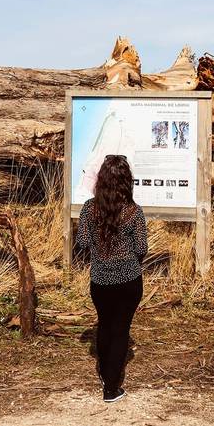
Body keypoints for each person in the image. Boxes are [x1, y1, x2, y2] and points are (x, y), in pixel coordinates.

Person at [75, 154, 147, 403]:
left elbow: (82, 243)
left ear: (101, 180)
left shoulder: (88, 209)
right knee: (121, 330)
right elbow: (141, 248)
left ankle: (106, 373)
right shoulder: (134, 212)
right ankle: (111, 387)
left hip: (100, 280)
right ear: (127, 181)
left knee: (105, 325)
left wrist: (99, 249)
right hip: (129, 280)